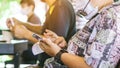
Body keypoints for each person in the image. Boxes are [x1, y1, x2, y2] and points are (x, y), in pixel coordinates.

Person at [39, 0, 120, 68]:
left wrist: (58, 53)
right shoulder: (103, 14)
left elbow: (93, 66)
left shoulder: (110, 17)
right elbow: (92, 53)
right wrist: (67, 47)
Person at [6, 0, 76, 67]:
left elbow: (54, 43)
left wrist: (26, 34)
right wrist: (21, 23)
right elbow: (44, 30)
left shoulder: (61, 6)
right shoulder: (53, 7)